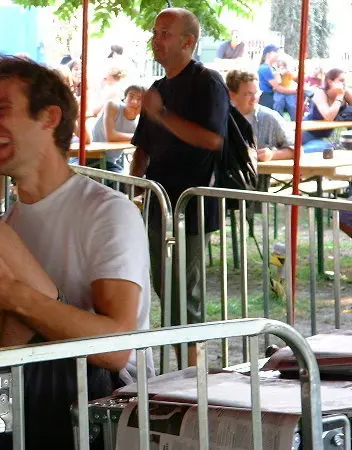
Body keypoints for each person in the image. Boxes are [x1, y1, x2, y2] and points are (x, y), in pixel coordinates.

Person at [0, 56, 153, 449]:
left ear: (49, 117)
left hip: (105, 396)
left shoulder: (107, 210)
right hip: (31, 376)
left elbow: (117, 350)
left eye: (2, 110)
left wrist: (12, 295)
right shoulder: (11, 222)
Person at [130, 8, 228, 365]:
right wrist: (135, 187)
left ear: (188, 41)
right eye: (155, 32)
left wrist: (163, 115)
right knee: (164, 288)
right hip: (158, 202)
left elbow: (213, 140)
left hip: (192, 204)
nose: (157, 40)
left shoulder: (208, 83)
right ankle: (186, 370)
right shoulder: (157, 89)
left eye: (166, 33)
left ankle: (194, 372)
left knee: (184, 295)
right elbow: (142, 146)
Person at [226, 70, 294, 162]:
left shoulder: (270, 118)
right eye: (249, 94)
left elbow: (296, 150)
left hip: (259, 176)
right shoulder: (220, 118)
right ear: (232, 95)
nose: (255, 98)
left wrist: (272, 154)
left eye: (257, 92)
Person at [88, 84, 144, 172]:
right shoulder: (112, 106)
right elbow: (111, 136)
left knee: (127, 182)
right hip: (89, 157)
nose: (134, 102)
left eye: (139, 99)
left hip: (109, 163)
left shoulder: (139, 123)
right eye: (131, 96)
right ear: (124, 99)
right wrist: (138, 136)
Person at [302, 68, 352, 152]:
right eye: (341, 80)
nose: (344, 84)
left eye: (344, 81)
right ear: (330, 82)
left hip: (325, 136)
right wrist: (339, 96)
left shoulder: (345, 92)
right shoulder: (320, 93)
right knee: (324, 149)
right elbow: (328, 117)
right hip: (308, 134)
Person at [258, 44, 296, 111]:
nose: (277, 54)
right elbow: (278, 88)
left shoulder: (272, 68)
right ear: (268, 54)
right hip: (267, 99)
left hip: (272, 96)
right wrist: (297, 91)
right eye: (275, 52)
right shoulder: (265, 68)